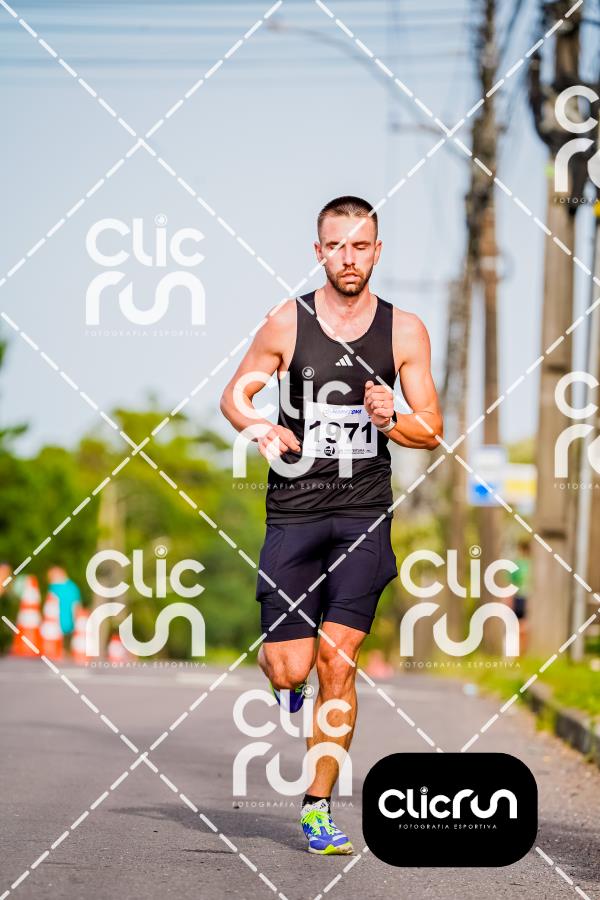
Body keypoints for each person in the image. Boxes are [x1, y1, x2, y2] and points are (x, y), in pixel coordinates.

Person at [220, 195, 443, 855]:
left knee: (337, 662)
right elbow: (235, 393)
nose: (349, 257)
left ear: (377, 251)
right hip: (294, 508)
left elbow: (430, 430)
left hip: (363, 512)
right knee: (290, 668)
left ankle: (317, 807)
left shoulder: (405, 332)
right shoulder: (286, 322)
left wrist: (391, 416)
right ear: (319, 251)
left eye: (360, 245)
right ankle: (285, 684)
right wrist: (259, 425)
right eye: (337, 245)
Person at [47, 566, 82, 655]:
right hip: (58, 623)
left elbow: (76, 606)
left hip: (64, 623)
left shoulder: (68, 587)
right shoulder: (69, 587)